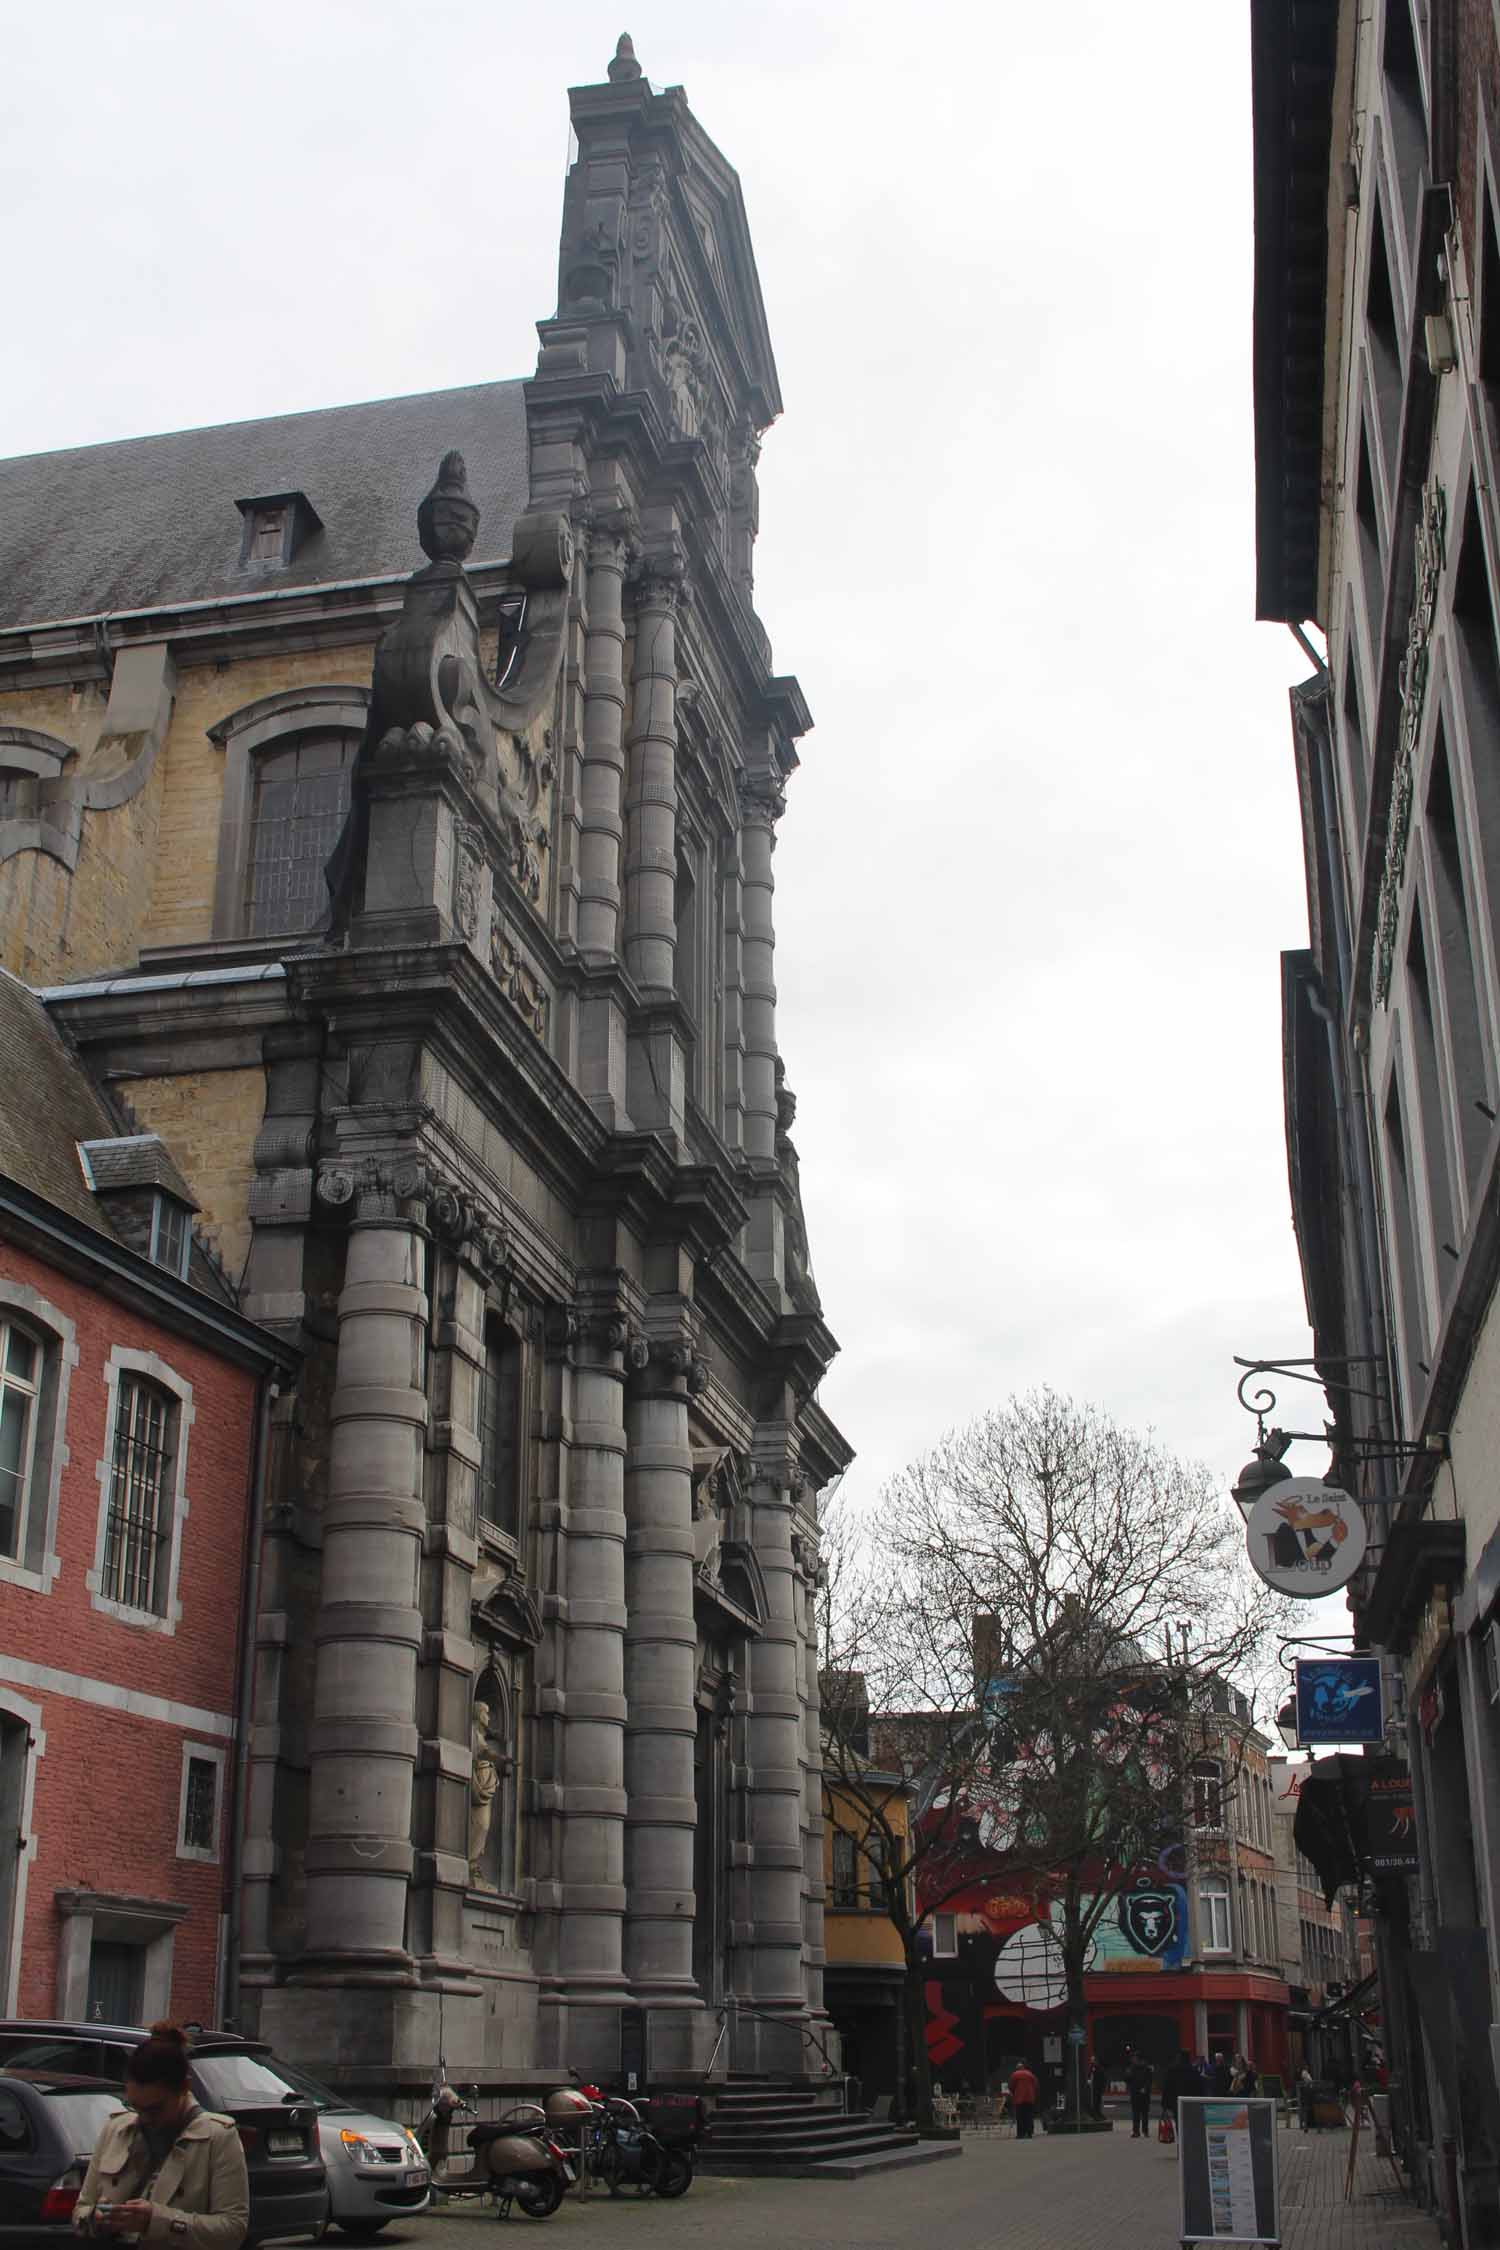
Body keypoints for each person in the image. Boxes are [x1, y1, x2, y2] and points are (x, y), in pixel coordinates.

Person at [75, 2023, 249, 2249]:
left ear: (184, 2088)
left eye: (155, 2109)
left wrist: (156, 2221)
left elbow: (233, 2229)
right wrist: (94, 2219)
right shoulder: (115, 2128)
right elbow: (81, 2209)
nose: (144, 2118)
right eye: (135, 2107)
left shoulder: (218, 2137)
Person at [1162, 2050, 1200, 2140]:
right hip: (1191, 2103)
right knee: (1190, 2124)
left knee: (1179, 2123)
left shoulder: (1172, 2070)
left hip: (1176, 2103)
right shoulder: (1193, 2071)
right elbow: (1199, 2088)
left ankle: (1181, 2142)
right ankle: (1189, 2142)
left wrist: (1165, 2104)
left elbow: (1167, 2087)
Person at [1125, 2049, 1154, 2140]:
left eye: (1134, 2058)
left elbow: (1149, 2080)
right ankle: (1136, 2131)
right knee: (1136, 2113)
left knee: (1144, 2113)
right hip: (1135, 2093)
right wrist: (1127, 2075)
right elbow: (1127, 2080)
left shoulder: (1147, 2068)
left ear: (1138, 2059)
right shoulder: (1131, 2068)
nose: (1133, 2059)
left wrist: (1145, 2088)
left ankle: (1144, 2131)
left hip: (1143, 2093)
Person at [1008, 2059, 1040, 2140]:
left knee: (1020, 2117)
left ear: (1017, 2067)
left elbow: (1011, 2086)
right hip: (1030, 2098)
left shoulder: (1015, 2074)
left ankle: (1020, 2134)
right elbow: (1036, 2085)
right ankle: (1029, 2133)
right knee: (1029, 2116)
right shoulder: (1030, 2074)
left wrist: (1014, 2093)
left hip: (1019, 2098)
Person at [1089, 2055, 1107, 2122]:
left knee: (1098, 2101)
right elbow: (1089, 2075)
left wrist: (1103, 2087)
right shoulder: (1093, 2067)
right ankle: (1096, 2114)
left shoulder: (1099, 2068)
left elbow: (1103, 2078)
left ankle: (1098, 2114)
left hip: (1098, 2086)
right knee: (1095, 2101)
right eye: (1092, 2060)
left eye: (1093, 2060)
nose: (1092, 2061)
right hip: (1095, 2087)